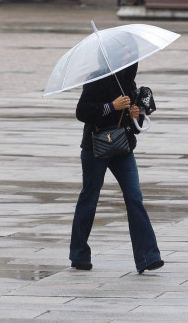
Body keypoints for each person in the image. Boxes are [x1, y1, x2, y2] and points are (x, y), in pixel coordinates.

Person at [70, 62, 164, 274]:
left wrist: (135, 114)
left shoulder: (128, 82)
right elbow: (82, 112)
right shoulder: (96, 78)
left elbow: (136, 125)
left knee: (134, 197)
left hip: (123, 147)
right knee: (89, 197)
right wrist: (112, 106)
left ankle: (148, 257)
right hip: (96, 147)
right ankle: (79, 254)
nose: (132, 62)